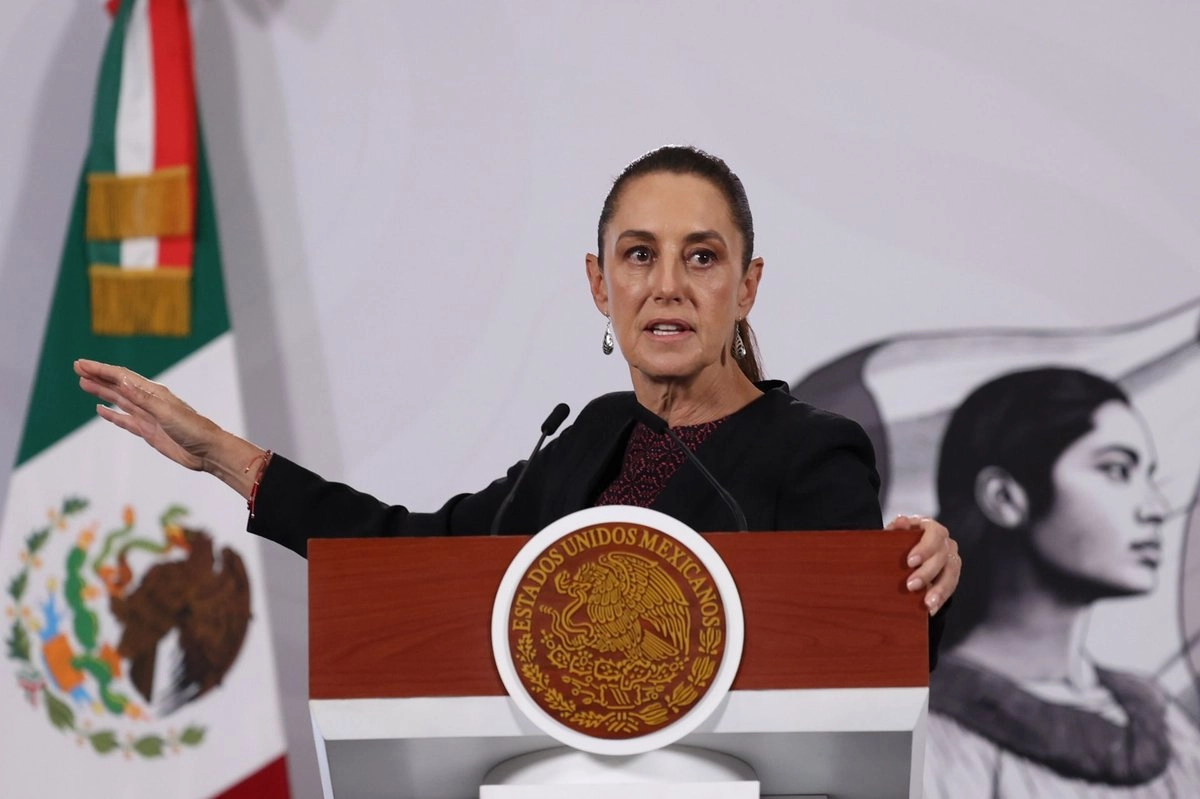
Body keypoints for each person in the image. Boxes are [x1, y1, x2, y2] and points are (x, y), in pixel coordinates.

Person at [73, 145, 960, 628]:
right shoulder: (589, 439)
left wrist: (924, 580)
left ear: (749, 285)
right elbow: (414, 551)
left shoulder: (809, 446)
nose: (667, 286)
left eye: (703, 257)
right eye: (638, 254)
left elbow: (863, 654)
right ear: (597, 281)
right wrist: (229, 458)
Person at [924, 367, 1200, 797]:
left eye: (1148, 475)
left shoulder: (1165, 722)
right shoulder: (934, 734)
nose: (1155, 508)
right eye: (1116, 470)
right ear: (1005, 498)